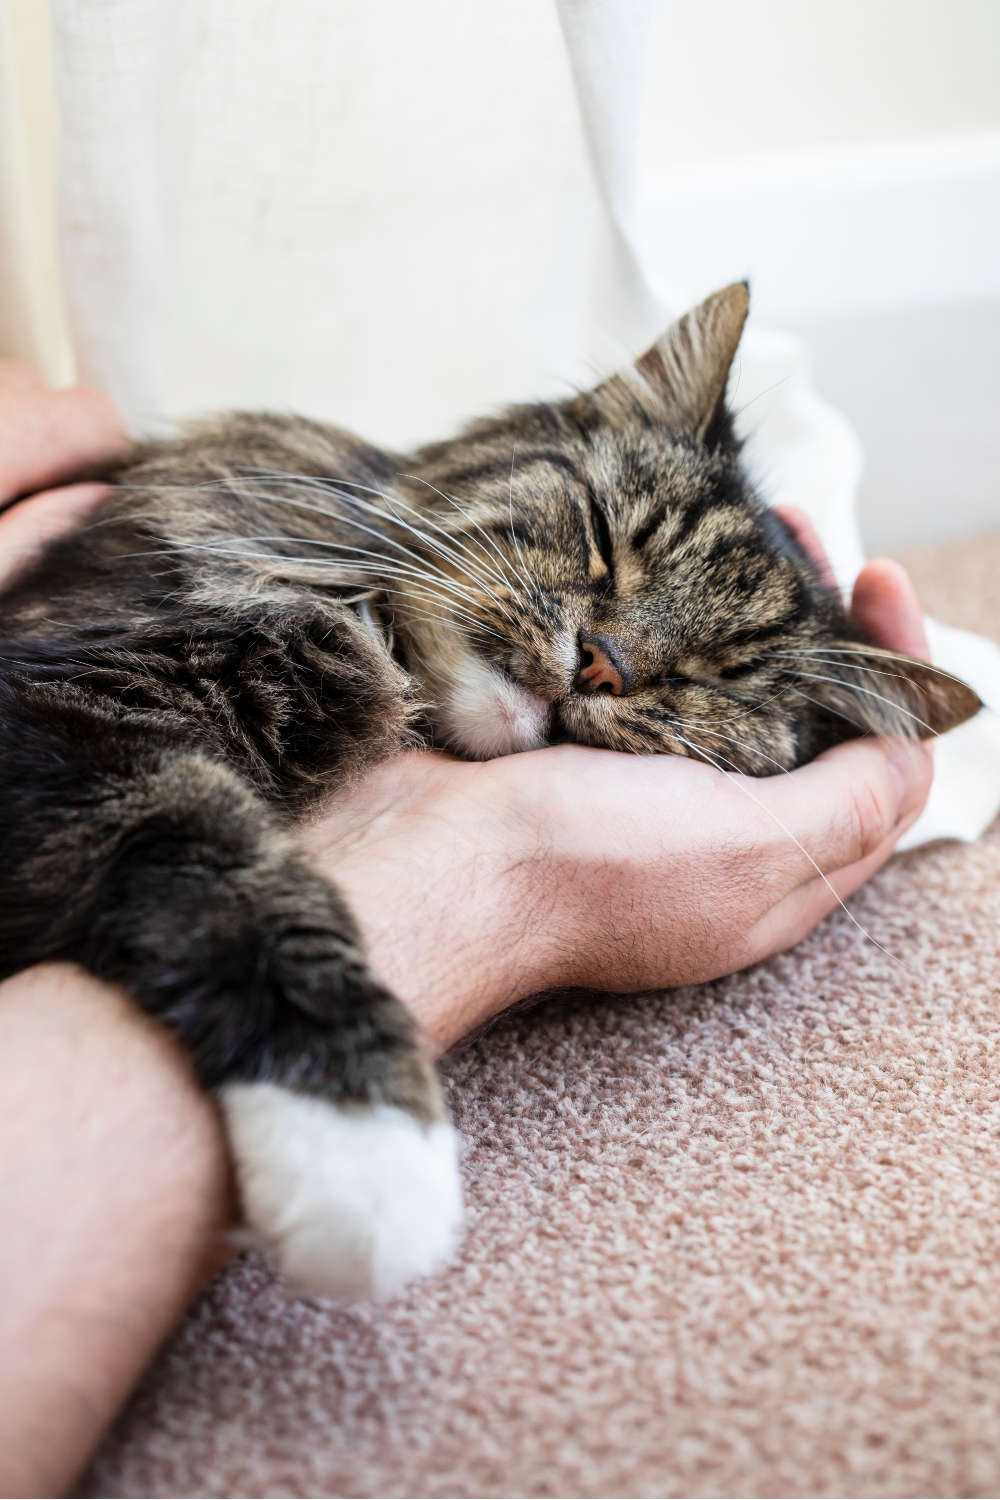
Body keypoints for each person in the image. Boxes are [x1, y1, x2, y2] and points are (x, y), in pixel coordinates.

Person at [0, 362, 933, 1497]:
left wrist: (495, 860)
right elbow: (56, 756)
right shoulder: (285, 516)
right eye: (597, 543)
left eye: (709, 673)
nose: (609, 656)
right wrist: (303, 1010)